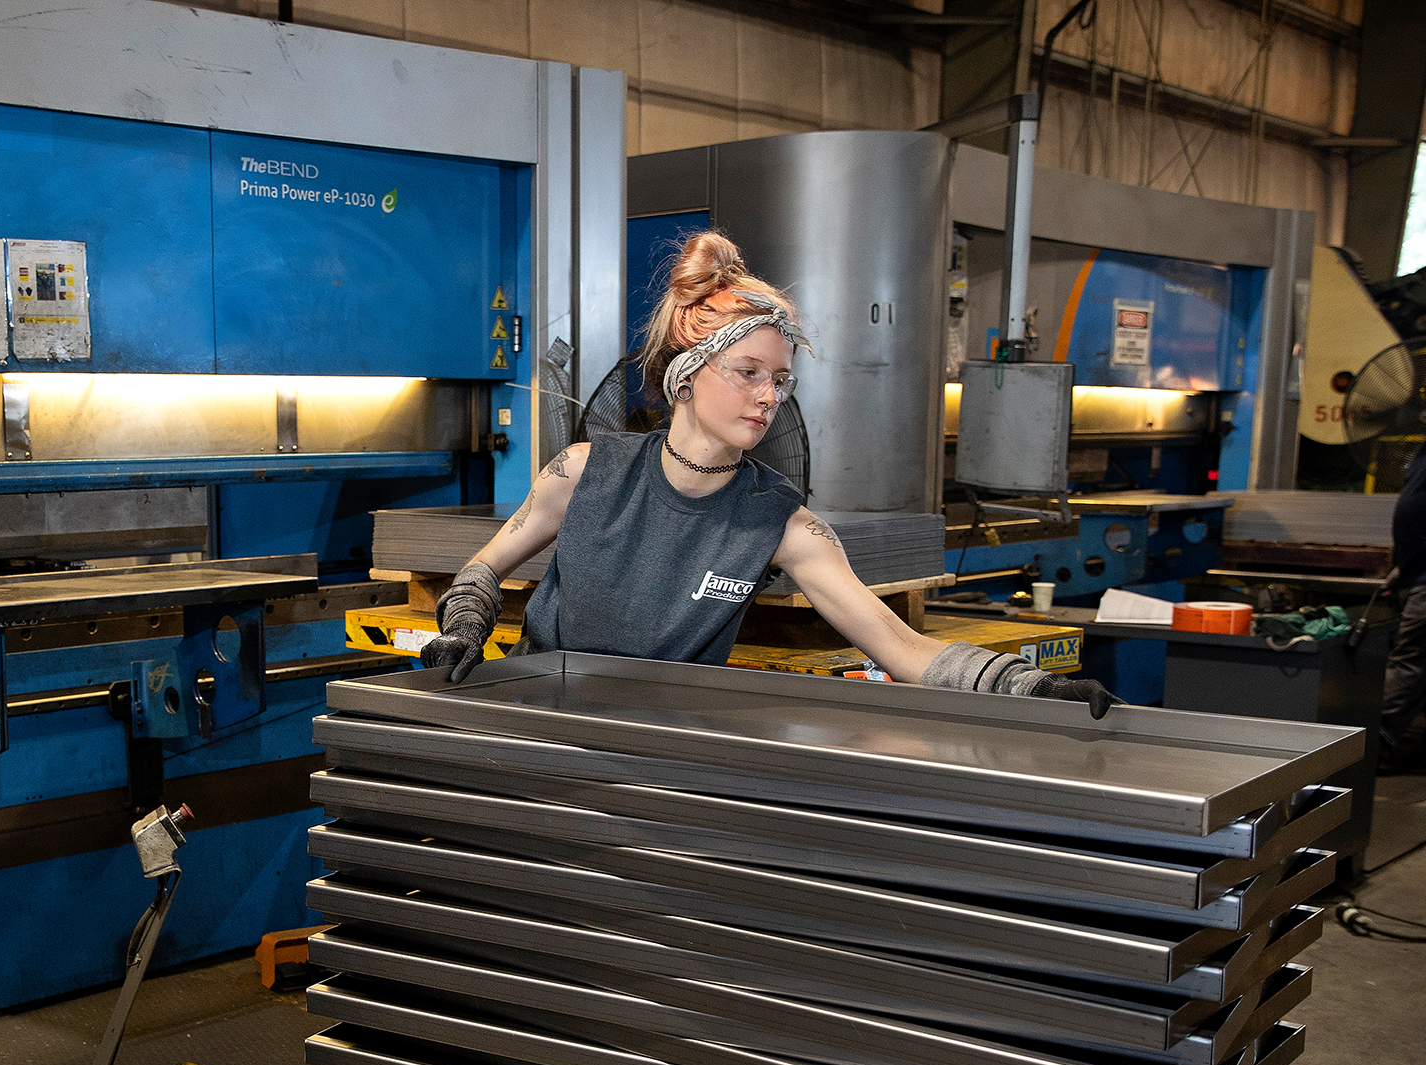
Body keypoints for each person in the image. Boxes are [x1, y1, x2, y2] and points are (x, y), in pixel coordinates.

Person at [420, 230, 1119, 716]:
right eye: (748, 372)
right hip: (541, 718)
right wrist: (462, 631)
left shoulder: (782, 521)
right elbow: (484, 569)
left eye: (781, 379)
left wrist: (1027, 688)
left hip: (672, 749)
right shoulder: (584, 472)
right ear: (688, 375)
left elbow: (899, 646)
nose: (769, 396)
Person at [1379, 446, 1426, 768]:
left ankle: (1374, 746)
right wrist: (1402, 568)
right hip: (1414, 574)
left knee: (1410, 662)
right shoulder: (1420, 454)